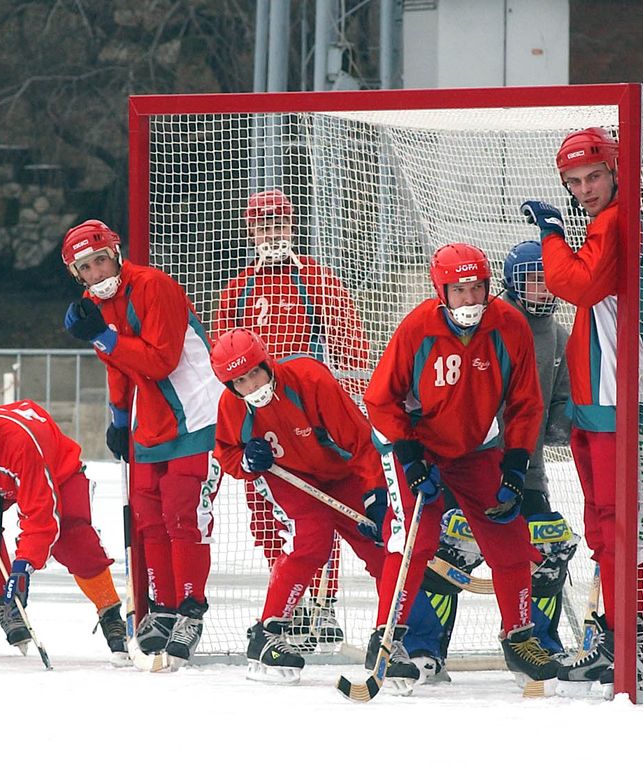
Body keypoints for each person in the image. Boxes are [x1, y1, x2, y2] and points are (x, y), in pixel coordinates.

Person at [363, 242, 561, 691]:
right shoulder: (417, 329)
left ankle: (519, 636)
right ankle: (389, 637)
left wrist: (515, 466)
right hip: (417, 443)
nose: (470, 299)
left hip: (477, 446)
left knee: (510, 537)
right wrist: (411, 458)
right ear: (442, 291)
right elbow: (379, 399)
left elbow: (526, 404)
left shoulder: (510, 326)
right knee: (416, 534)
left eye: (477, 288)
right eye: (460, 290)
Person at [521, 127, 643, 687]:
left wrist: (552, 236)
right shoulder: (603, 221)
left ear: (615, 171)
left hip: (622, 400)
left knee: (628, 525)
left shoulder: (615, 221)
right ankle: (615, 637)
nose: (585, 188)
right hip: (597, 400)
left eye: (593, 177)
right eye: (574, 181)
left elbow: (577, 286)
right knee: (604, 525)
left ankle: (634, 641)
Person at [214, 188, 372, 647]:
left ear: (292, 226)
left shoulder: (317, 280)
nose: (272, 234)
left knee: (325, 508)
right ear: (251, 231)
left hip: (308, 413)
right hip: (258, 418)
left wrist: (349, 399)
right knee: (266, 513)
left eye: (278, 224)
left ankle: (323, 606)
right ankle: (290, 602)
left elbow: (350, 344)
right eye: (263, 226)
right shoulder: (240, 287)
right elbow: (223, 355)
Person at [61, 219, 223, 668]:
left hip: (195, 415)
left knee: (181, 513)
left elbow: (160, 360)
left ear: (115, 252)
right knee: (149, 519)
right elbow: (117, 366)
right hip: (146, 423)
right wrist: (116, 417)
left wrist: (104, 336)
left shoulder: (154, 286)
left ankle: (191, 609)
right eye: (86, 268)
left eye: (100, 260)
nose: (96, 272)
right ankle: (165, 608)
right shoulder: (94, 303)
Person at [210, 328, 387, 684]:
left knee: (382, 548)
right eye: (239, 381)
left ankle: (391, 633)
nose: (251, 386)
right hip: (293, 481)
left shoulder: (310, 379)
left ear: (267, 363)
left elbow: (360, 441)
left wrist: (375, 493)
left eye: (255, 373)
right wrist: (246, 460)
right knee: (312, 541)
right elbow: (226, 453)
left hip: (343, 475)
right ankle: (267, 633)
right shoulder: (232, 406)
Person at [0, 388, 128, 664]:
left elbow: (40, 516)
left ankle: (110, 613)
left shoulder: (18, 443)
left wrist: (23, 566)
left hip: (57, 473)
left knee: (73, 540)